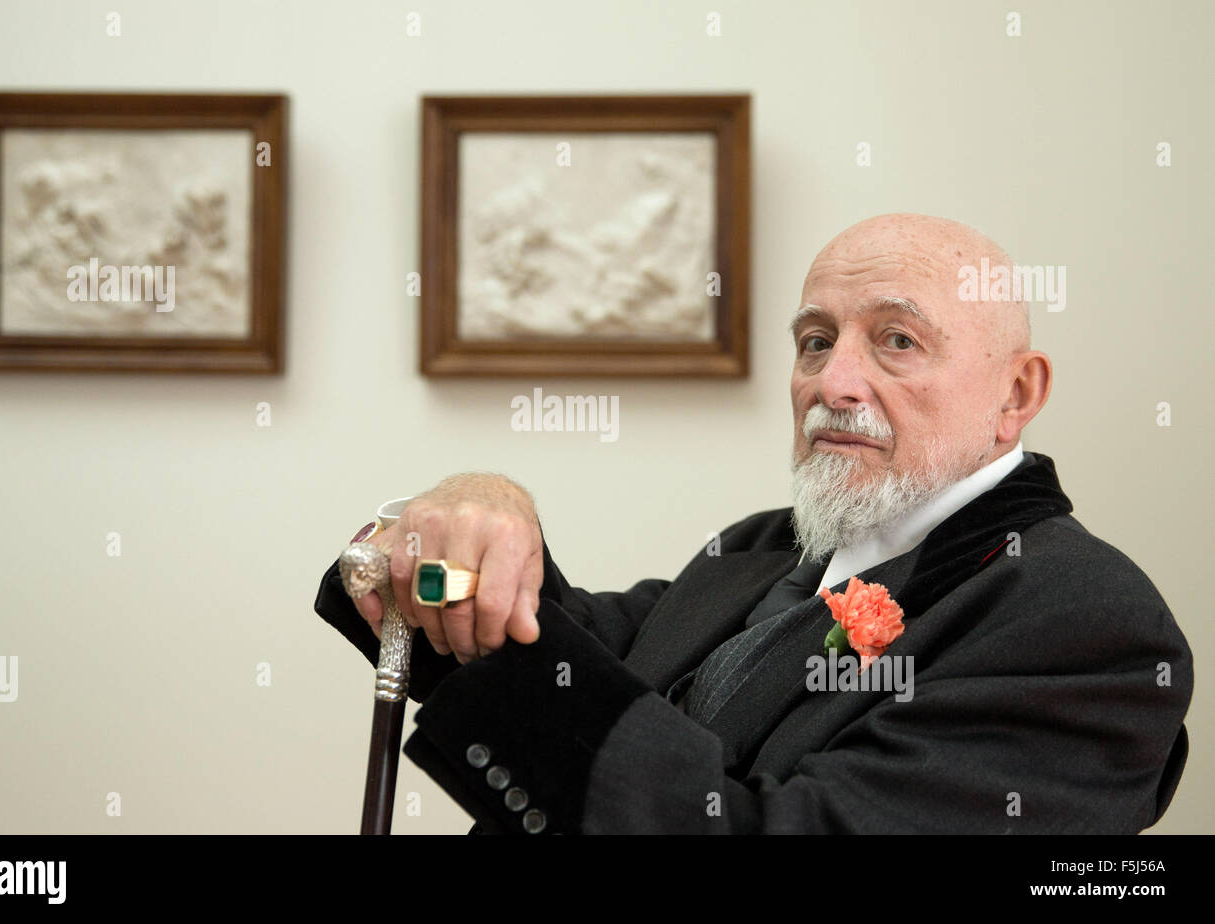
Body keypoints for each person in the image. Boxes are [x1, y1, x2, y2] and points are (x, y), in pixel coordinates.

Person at [314, 213, 1193, 834]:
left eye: (897, 341)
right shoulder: (766, 545)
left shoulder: (1083, 621)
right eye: (816, 341)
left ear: (1017, 393)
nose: (832, 383)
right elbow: (559, 644)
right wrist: (474, 517)